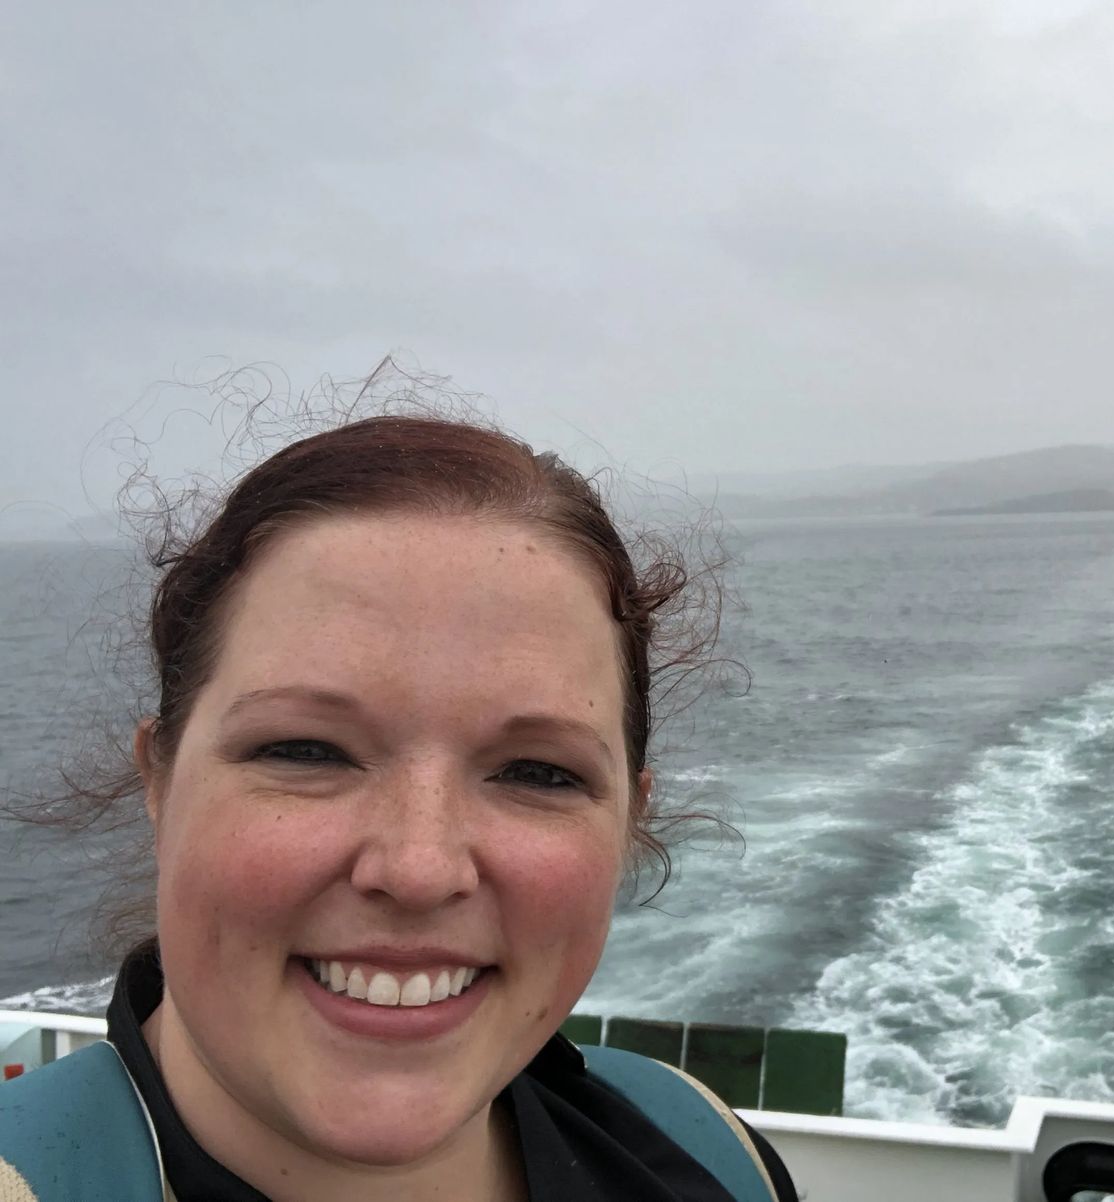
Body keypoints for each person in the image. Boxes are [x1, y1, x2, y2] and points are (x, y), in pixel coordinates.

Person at [0, 411, 797, 1202]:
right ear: (160, 780)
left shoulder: (708, 1153)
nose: (419, 870)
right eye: (305, 751)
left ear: (629, 820)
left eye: (537, 773)